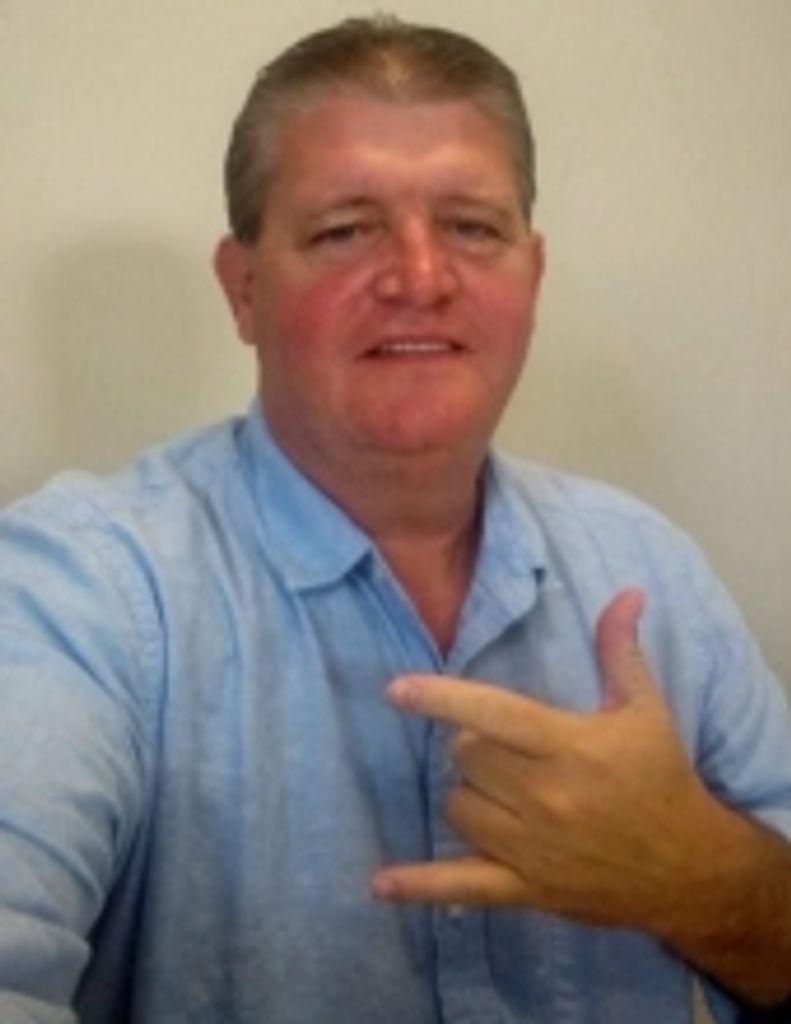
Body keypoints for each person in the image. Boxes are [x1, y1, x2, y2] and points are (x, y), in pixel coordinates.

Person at [0, 15, 789, 1023]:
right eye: (345, 230)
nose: (420, 278)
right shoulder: (80, 592)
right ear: (244, 290)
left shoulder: (649, 570)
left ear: (532, 276)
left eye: (471, 227)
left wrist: (704, 878)